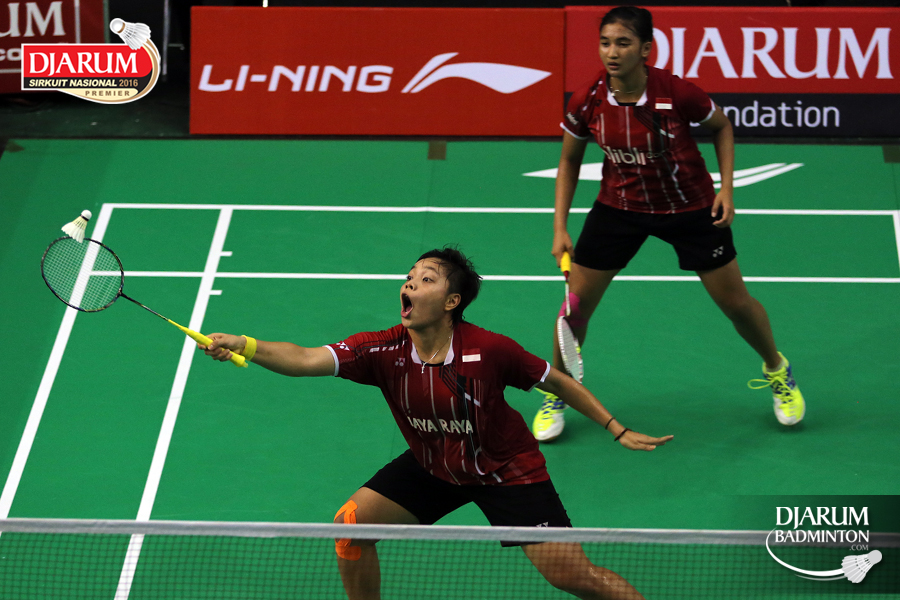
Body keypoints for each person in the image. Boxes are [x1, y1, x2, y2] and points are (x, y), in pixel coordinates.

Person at [200, 246, 672, 600]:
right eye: (409, 277)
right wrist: (244, 344)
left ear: (451, 301)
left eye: (425, 279)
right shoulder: (381, 350)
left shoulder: (490, 350)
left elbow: (557, 382)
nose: (409, 284)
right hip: (435, 465)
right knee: (350, 526)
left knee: (575, 577)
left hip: (505, 470)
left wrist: (615, 427)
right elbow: (304, 359)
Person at [531, 6, 805, 443]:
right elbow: (569, 160)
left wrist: (727, 188)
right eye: (605, 43)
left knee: (736, 304)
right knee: (574, 311)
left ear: (645, 49)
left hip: (689, 208)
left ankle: (777, 368)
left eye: (623, 43)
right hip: (619, 208)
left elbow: (722, 127)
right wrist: (559, 227)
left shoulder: (676, 93)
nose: (612, 52)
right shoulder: (588, 100)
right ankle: (557, 392)